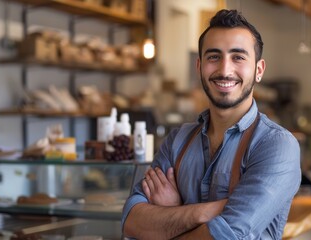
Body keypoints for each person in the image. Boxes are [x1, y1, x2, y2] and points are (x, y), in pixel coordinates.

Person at [122, 9, 301, 239]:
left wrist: (171, 214)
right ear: (199, 67)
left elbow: (226, 235)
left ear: (258, 70)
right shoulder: (177, 140)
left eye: (238, 57)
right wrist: (206, 212)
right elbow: (132, 221)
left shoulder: (276, 145)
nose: (225, 70)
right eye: (214, 57)